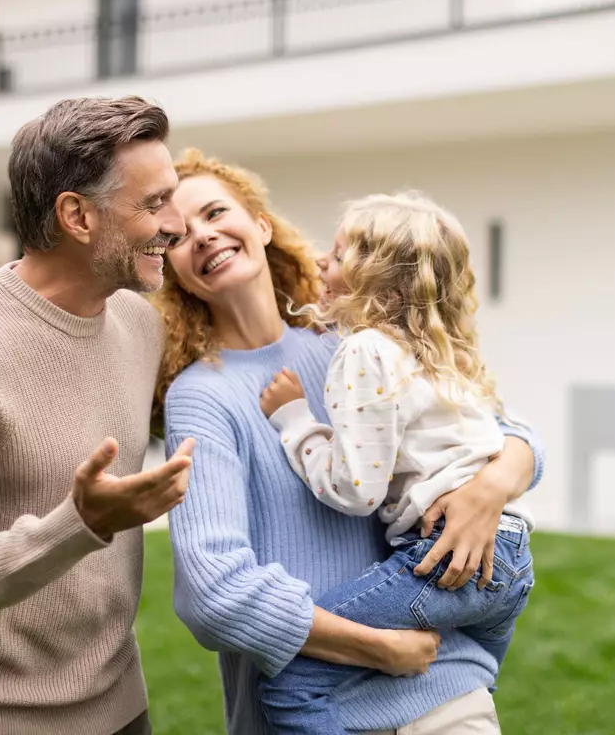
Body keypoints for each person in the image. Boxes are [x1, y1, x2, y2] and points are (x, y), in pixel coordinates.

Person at [155, 149, 545, 735]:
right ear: (171, 269)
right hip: (324, 709)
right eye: (179, 236)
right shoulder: (202, 397)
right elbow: (215, 596)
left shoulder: (352, 341)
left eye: (215, 212)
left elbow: (513, 433)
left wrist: (487, 491)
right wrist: (378, 648)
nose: (204, 236)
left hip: (445, 699)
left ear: (261, 225)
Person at [0, 96, 194, 735]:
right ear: (76, 216)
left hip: (119, 701)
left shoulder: (137, 322)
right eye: (153, 204)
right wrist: (79, 523)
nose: (178, 223)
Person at [255, 191, 535, 734]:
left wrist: (294, 422)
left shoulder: (363, 351)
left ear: (376, 282)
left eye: (337, 257)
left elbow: (357, 489)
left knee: (290, 679)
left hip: (447, 561)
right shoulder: (441, 351)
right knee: (472, 673)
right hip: (513, 557)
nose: (320, 263)